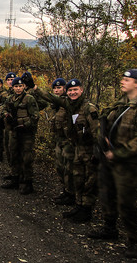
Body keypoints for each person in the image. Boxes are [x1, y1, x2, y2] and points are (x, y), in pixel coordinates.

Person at [88, 69, 137, 259]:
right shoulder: (120, 104)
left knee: (126, 201)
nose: (122, 82)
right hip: (109, 158)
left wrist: (117, 153)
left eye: (127, 80)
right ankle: (109, 228)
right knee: (107, 194)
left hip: (127, 163)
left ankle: (134, 240)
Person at [34, 78, 99, 222]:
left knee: (88, 181)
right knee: (77, 177)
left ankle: (85, 210)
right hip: (77, 147)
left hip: (88, 150)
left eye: (75, 90)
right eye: (70, 90)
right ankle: (79, 205)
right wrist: (35, 88)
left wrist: (97, 151)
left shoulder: (89, 108)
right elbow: (50, 97)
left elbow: (97, 133)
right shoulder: (70, 105)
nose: (73, 92)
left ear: (81, 90)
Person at [1, 77, 39, 194]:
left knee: (27, 158)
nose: (18, 88)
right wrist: (6, 114)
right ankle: (15, 178)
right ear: (12, 87)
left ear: (24, 87)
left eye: (20, 86)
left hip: (26, 133)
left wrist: (24, 124)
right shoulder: (10, 98)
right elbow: (2, 108)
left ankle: (28, 182)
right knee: (14, 154)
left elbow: (35, 116)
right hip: (14, 131)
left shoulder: (29, 99)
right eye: (16, 86)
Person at [48, 78, 75, 205]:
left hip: (68, 142)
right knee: (60, 167)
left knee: (69, 169)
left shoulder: (67, 102)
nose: (57, 90)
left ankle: (71, 194)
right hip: (59, 140)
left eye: (60, 88)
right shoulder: (57, 105)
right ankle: (66, 191)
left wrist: (36, 89)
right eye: (55, 88)